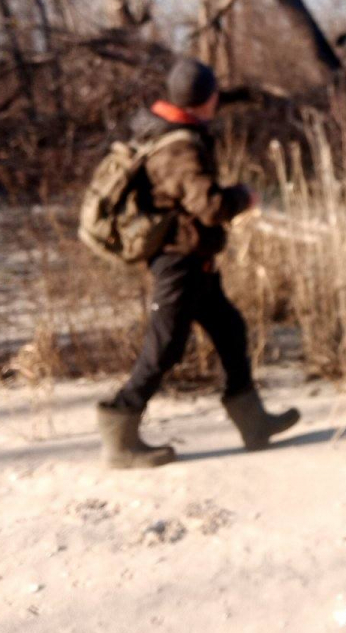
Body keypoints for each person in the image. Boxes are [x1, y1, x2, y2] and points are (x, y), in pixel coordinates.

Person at [96, 57, 300, 469]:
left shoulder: (169, 131)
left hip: (194, 259)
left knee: (229, 329)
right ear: (205, 100)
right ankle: (119, 433)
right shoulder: (180, 147)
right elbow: (209, 206)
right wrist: (244, 197)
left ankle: (254, 423)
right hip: (178, 262)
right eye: (215, 96)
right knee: (164, 349)